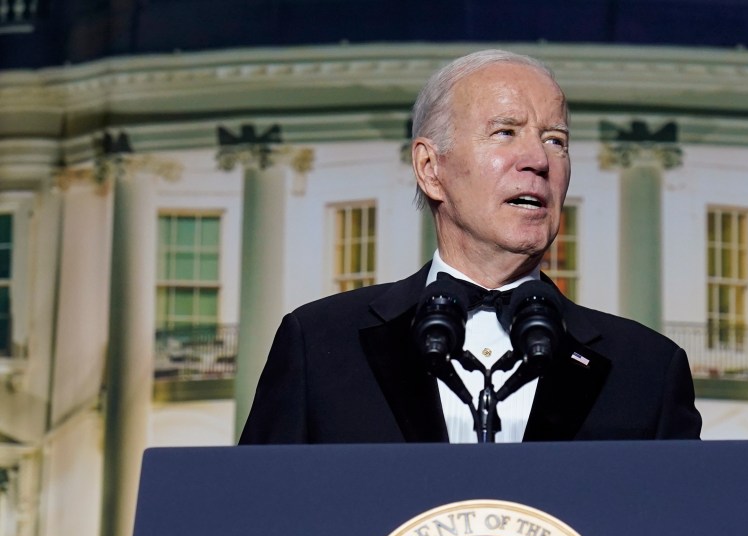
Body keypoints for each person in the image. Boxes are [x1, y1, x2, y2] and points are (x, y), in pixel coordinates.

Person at [239, 49, 701, 444]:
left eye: (555, 140)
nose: (538, 160)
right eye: (505, 132)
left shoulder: (646, 370)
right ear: (430, 168)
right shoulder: (319, 346)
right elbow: (256, 522)